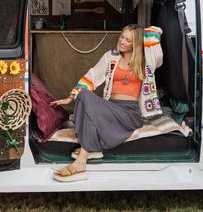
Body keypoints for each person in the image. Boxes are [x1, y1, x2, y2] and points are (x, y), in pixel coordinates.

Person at [49, 24, 163, 182]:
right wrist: (69, 98)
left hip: (129, 113)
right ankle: (92, 148)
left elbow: (157, 49)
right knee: (84, 95)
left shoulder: (145, 60)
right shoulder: (111, 57)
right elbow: (93, 76)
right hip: (111, 107)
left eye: (128, 40)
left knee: (87, 102)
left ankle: (81, 161)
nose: (122, 41)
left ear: (136, 43)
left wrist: (144, 34)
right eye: (122, 37)